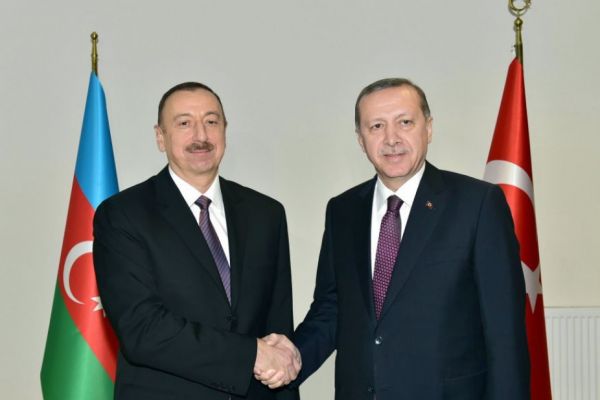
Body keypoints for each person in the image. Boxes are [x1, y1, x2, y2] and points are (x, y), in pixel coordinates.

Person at [263, 78, 530, 399]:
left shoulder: (478, 204)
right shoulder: (343, 211)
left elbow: (504, 331)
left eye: (405, 122)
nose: (391, 139)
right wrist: (292, 356)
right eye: (376, 126)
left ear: (428, 128)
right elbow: (332, 309)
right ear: (361, 139)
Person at [93, 82, 301, 399]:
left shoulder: (266, 214)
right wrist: (250, 355)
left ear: (225, 130)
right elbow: (142, 329)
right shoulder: (123, 215)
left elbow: (278, 331)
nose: (200, 135)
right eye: (184, 123)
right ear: (160, 137)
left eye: (211, 121)